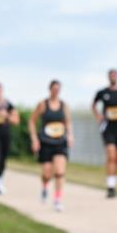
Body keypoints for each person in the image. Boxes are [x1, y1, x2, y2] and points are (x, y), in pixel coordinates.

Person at [30, 80, 73, 212]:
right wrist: (34, 139)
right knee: (47, 173)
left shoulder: (64, 105)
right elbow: (32, 121)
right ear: (50, 89)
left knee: (60, 172)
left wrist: (70, 135)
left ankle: (57, 199)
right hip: (46, 142)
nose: (56, 91)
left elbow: (68, 122)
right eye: (54, 88)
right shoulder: (42, 104)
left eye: (58, 89)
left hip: (60, 142)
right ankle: (44, 186)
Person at [92, 69, 117, 198]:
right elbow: (93, 105)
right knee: (111, 154)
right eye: (111, 75)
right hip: (108, 127)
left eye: (115, 75)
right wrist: (97, 115)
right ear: (108, 77)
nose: (113, 77)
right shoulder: (103, 93)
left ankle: (114, 183)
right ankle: (109, 187)